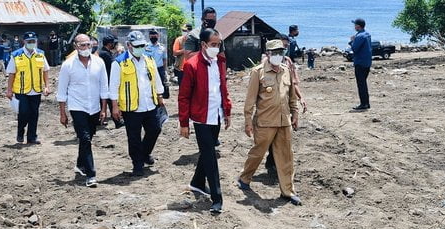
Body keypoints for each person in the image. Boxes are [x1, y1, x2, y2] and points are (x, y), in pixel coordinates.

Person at [237, 39, 302, 206]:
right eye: (275, 53)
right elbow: (250, 100)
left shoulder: (286, 70)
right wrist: (247, 121)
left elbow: (291, 97)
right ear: (268, 54)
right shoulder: (258, 72)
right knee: (258, 152)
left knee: (286, 156)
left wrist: (295, 114)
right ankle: (245, 177)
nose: (278, 56)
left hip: (284, 121)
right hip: (265, 122)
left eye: (281, 53)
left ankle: (288, 191)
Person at [178, 28, 232, 214]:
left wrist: (228, 111)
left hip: (216, 115)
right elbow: (183, 96)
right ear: (203, 45)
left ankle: (197, 182)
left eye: (219, 45)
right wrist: (184, 123)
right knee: (210, 156)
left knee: (207, 152)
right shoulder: (191, 65)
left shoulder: (220, 62)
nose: (216, 48)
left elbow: (223, 87)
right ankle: (217, 198)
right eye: (213, 45)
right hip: (201, 118)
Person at [56, 34, 109, 187]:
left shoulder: (99, 63)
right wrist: (62, 113)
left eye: (88, 45)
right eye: (82, 45)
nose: (85, 48)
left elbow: (103, 87)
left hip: (94, 107)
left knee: (88, 137)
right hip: (77, 106)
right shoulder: (68, 65)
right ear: (76, 46)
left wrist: (104, 109)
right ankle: (91, 175)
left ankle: (80, 164)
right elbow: (62, 90)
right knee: (85, 138)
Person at [110, 31, 165, 176]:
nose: (140, 48)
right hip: (131, 107)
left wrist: (160, 96)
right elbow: (113, 86)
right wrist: (115, 106)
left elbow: (156, 79)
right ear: (129, 45)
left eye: (142, 45)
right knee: (133, 137)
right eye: (137, 46)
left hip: (149, 104)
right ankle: (137, 164)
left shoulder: (149, 60)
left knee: (155, 129)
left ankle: (145, 154)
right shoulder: (119, 63)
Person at [263, 34, 308, 175]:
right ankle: (272, 162)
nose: (281, 52)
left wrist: (300, 98)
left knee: (283, 137)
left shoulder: (288, 62)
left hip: (285, 105)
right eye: (278, 49)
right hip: (270, 107)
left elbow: (293, 84)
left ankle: (276, 164)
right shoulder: (265, 62)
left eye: (284, 49)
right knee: (271, 136)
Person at [5, 31, 50, 144]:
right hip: (21, 90)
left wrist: (47, 86)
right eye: (29, 41)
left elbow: (45, 71)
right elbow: (11, 74)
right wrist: (9, 90)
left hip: (36, 90)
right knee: (24, 112)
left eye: (33, 41)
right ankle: (20, 132)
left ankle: (32, 137)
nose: (31, 43)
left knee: (34, 114)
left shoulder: (41, 54)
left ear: (36, 42)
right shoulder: (16, 55)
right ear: (24, 42)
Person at [98, 35, 124, 129]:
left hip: (106, 81)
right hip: (107, 82)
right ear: (110, 44)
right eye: (114, 43)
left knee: (106, 102)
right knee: (111, 102)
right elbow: (116, 63)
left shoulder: (105, 53)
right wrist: (119, 52)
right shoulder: (104, 54)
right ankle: (117, 121)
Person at [350, 18, 372, 111]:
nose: (354, 26)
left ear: (358, 26)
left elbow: (355, 48)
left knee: (361, 84)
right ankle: (366, 102)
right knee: (363, 83)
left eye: (355, 25)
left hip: (360, 62)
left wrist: (352, 41)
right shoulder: (367, 34)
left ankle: (364, 104)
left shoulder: (359, 36)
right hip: (367, 62)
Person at [146, 29, 170, 99]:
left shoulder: (162, 48)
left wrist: (165, 71)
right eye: (151, 34)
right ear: (149, 36)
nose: (153, 36)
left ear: (158, 35)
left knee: (160, 84)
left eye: (155, 34)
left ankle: (160, 100)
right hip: (149, 69)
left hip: (160, 69)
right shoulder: (145, 47)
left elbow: (164, 59)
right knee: (149, 84)